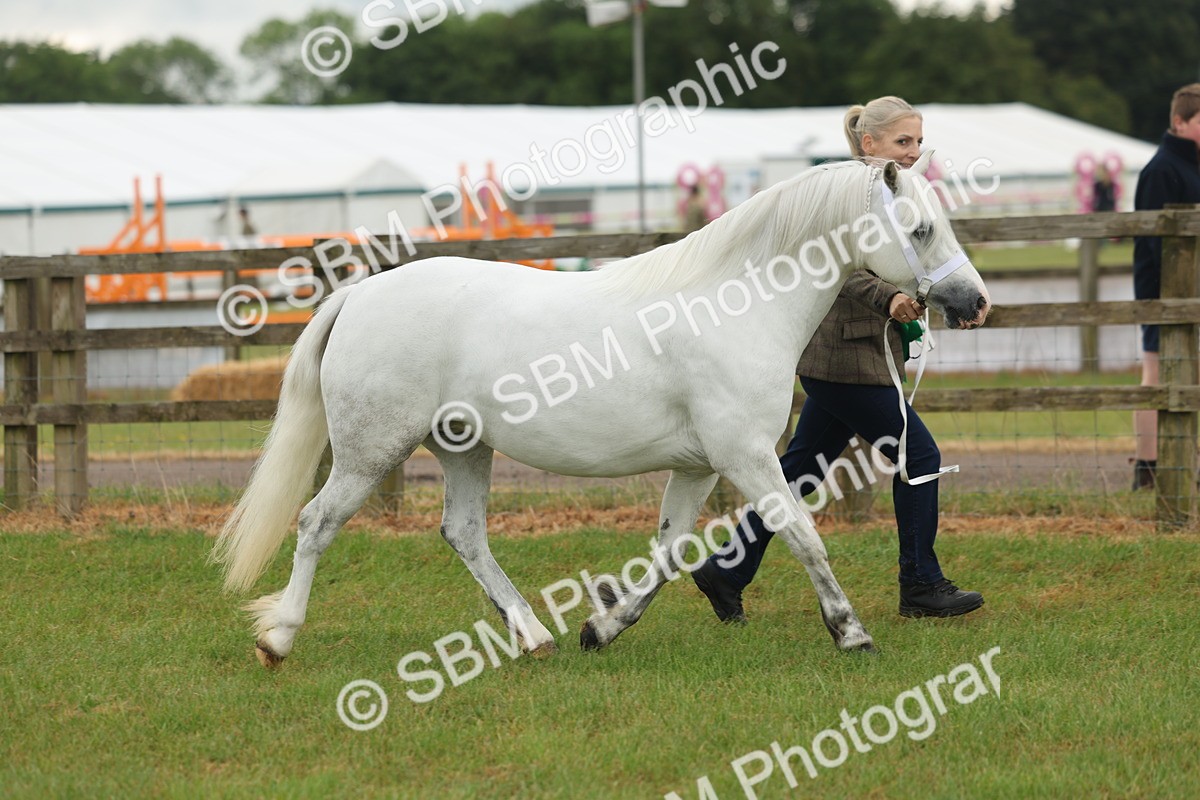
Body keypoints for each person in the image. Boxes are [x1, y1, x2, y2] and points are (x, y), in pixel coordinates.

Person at [691, 96, 983, 623]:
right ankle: (921, 584)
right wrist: (887, 298)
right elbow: (831, 261)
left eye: (918, 141)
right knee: (920, 458)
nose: (914, 152)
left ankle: (726, 570)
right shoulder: (847, 192)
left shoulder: (896, 192)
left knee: (800, 471)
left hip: (847, 357)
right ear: (868, 144)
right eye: (902, 142)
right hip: (847, 357)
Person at [1131, 84, 1200, 490]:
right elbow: (1154, 240)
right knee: (1155, 372)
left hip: (1192, 290)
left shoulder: (1192, 164)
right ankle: (1148, 464)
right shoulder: (1161, 169)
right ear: (1180, 121)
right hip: (1164, 290)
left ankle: (1184, 457)